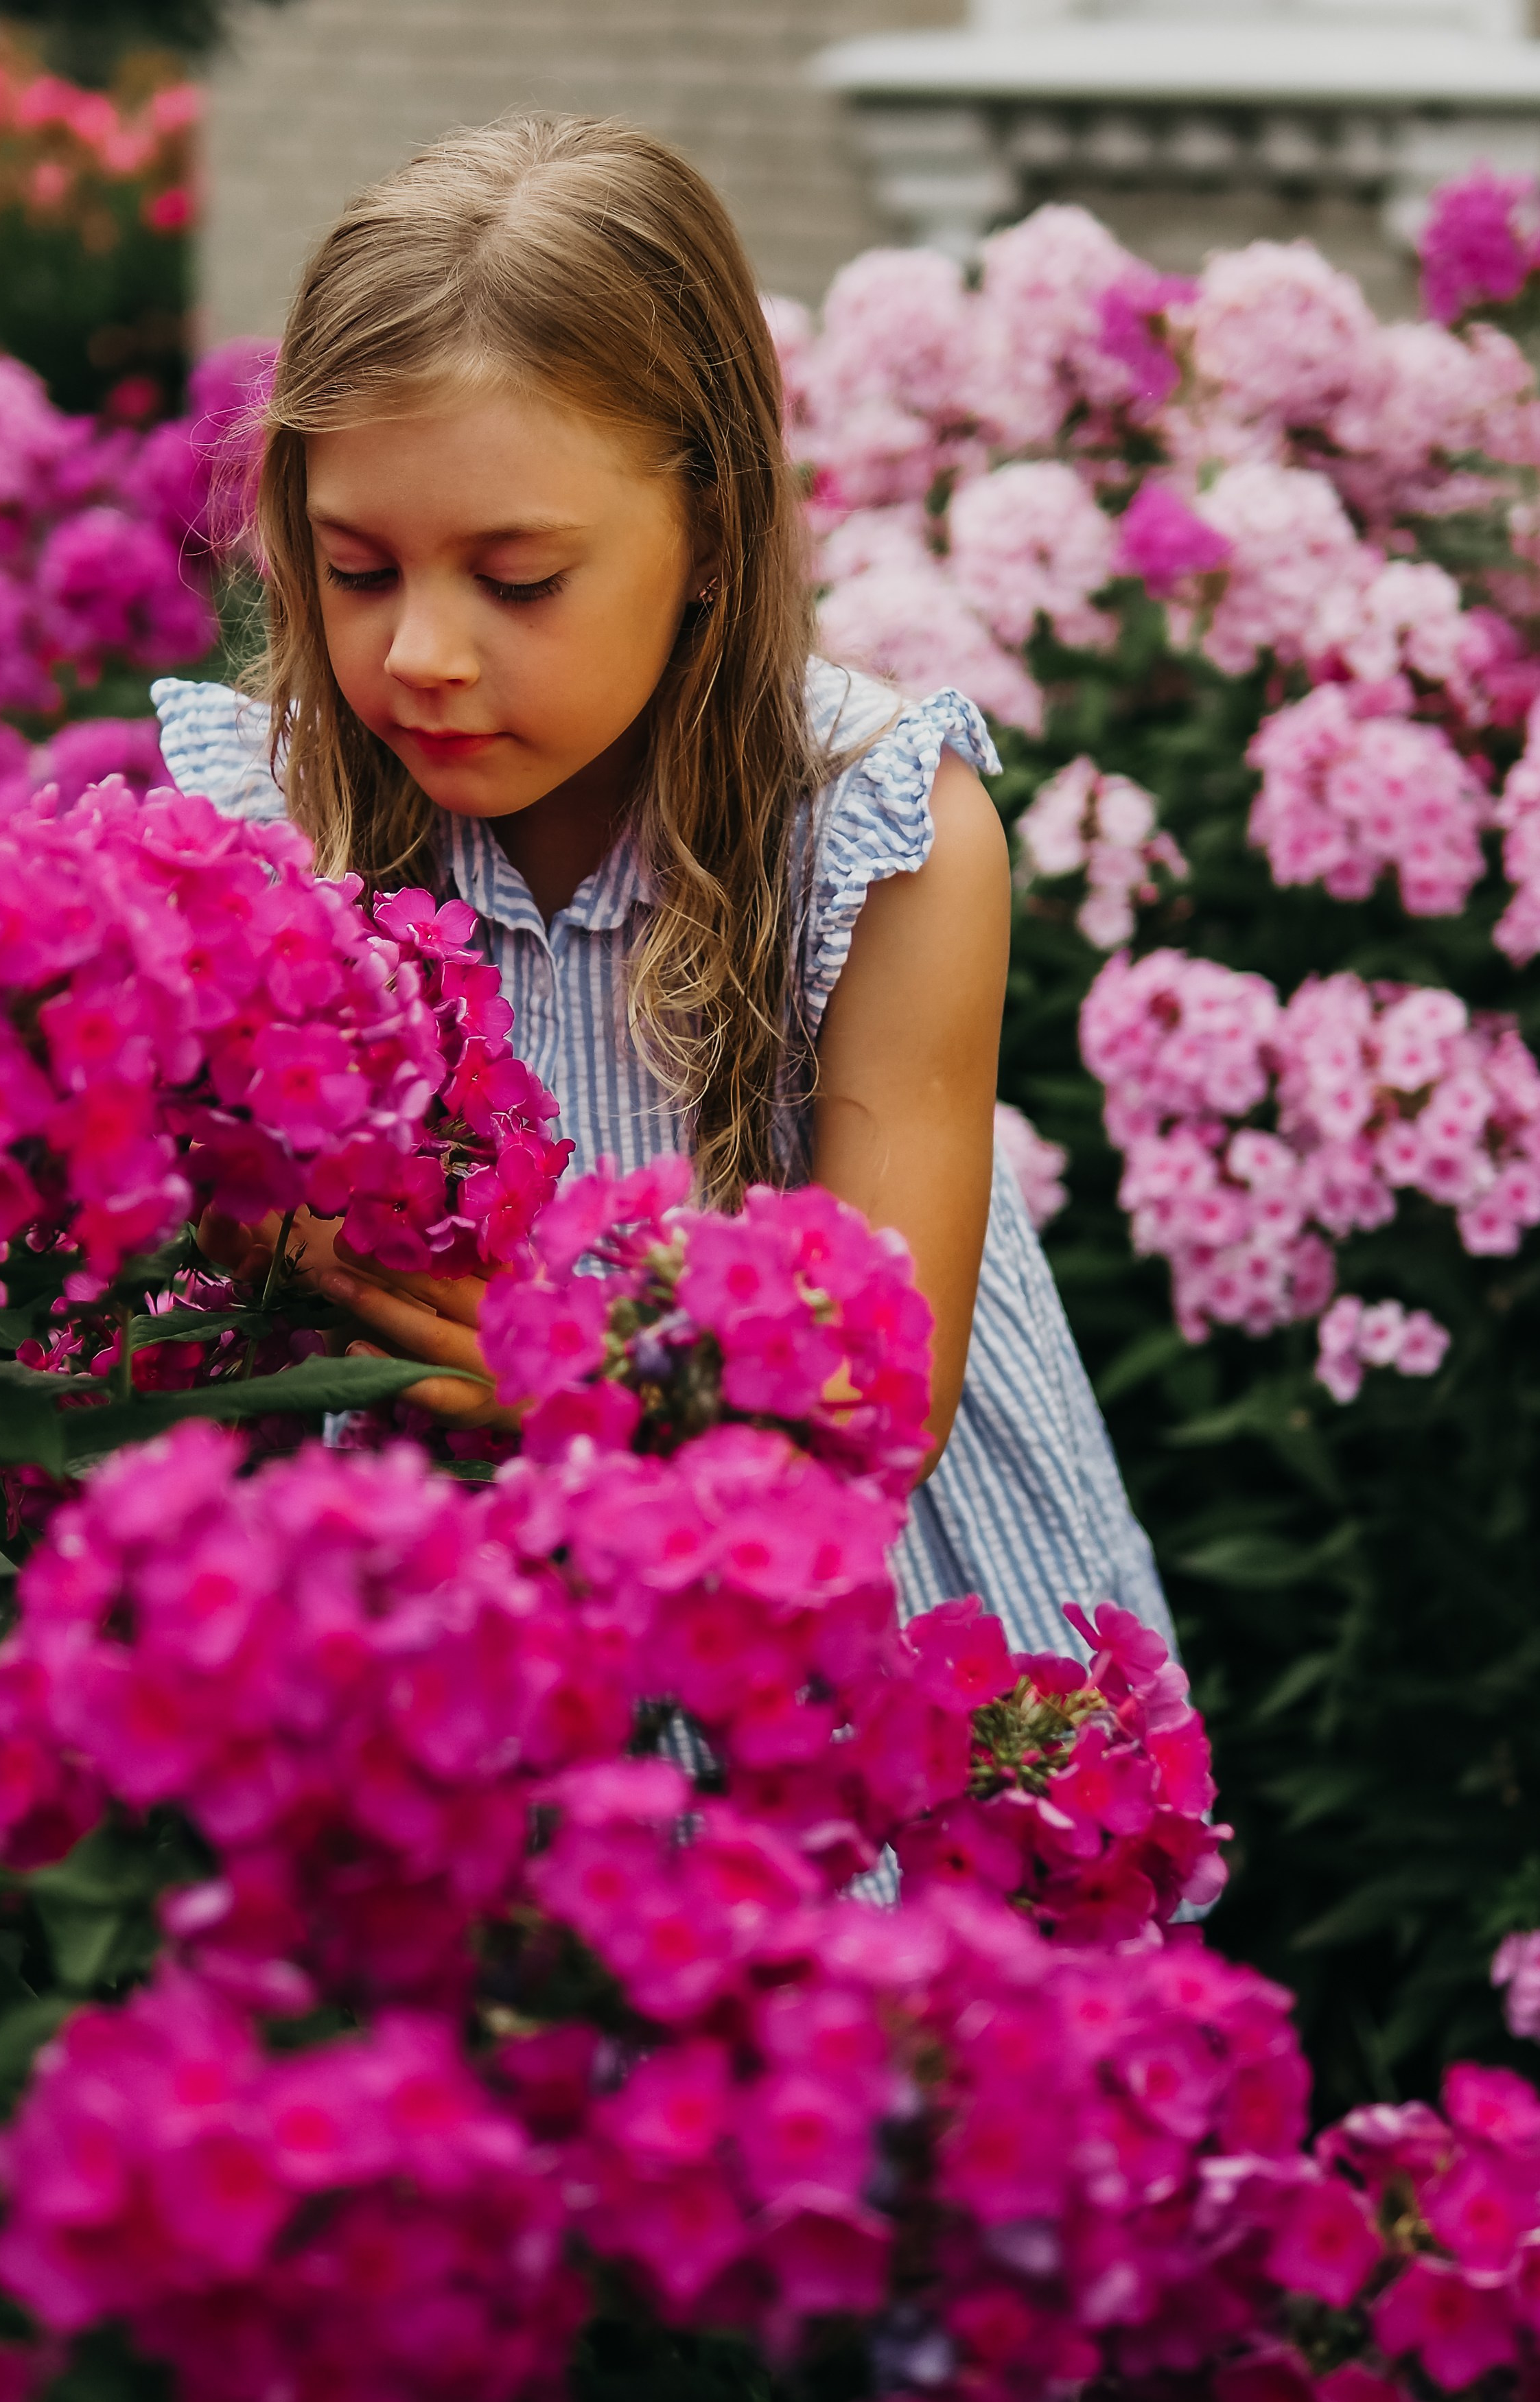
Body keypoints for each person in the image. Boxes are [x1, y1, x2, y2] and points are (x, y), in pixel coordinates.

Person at [156, 112, 1173, 1663]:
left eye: (517, 581)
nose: (423, 652)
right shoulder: (266, 811)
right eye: (358, 568)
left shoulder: (877, 836)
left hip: (816, 1637)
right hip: (407, 1629)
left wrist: (586, 1393)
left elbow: (873, 1392)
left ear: (710, 528)